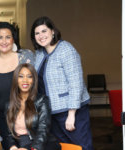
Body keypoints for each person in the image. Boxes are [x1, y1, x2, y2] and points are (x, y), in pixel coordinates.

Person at [30, 16, 93, 150]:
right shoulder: (39, 53)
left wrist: (71, 114)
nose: (41, 36)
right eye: (37, 33)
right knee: (63, 147)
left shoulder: (66, 49)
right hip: (51, 112)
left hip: (71, 111)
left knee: (81, 147)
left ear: (52, 31)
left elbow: (76, 83)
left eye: (44, 31)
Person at [0, 22, 35, 149]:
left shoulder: (26, 56)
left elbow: (35, 85)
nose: (4, 41)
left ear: (13, 39)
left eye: (8, 37)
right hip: (2, 121)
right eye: (0, 37)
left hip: (25, 118)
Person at [6, 63, 61, 150]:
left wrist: (33, 148)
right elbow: (9, 134)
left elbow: (43, 129)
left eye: (29, 76)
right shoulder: (9, 104)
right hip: (20, 144)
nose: (25, 80)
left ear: (33, 80)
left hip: (42, 144)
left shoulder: (42, 100)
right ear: (16, 79)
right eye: (21, 76)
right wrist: (13, 147)